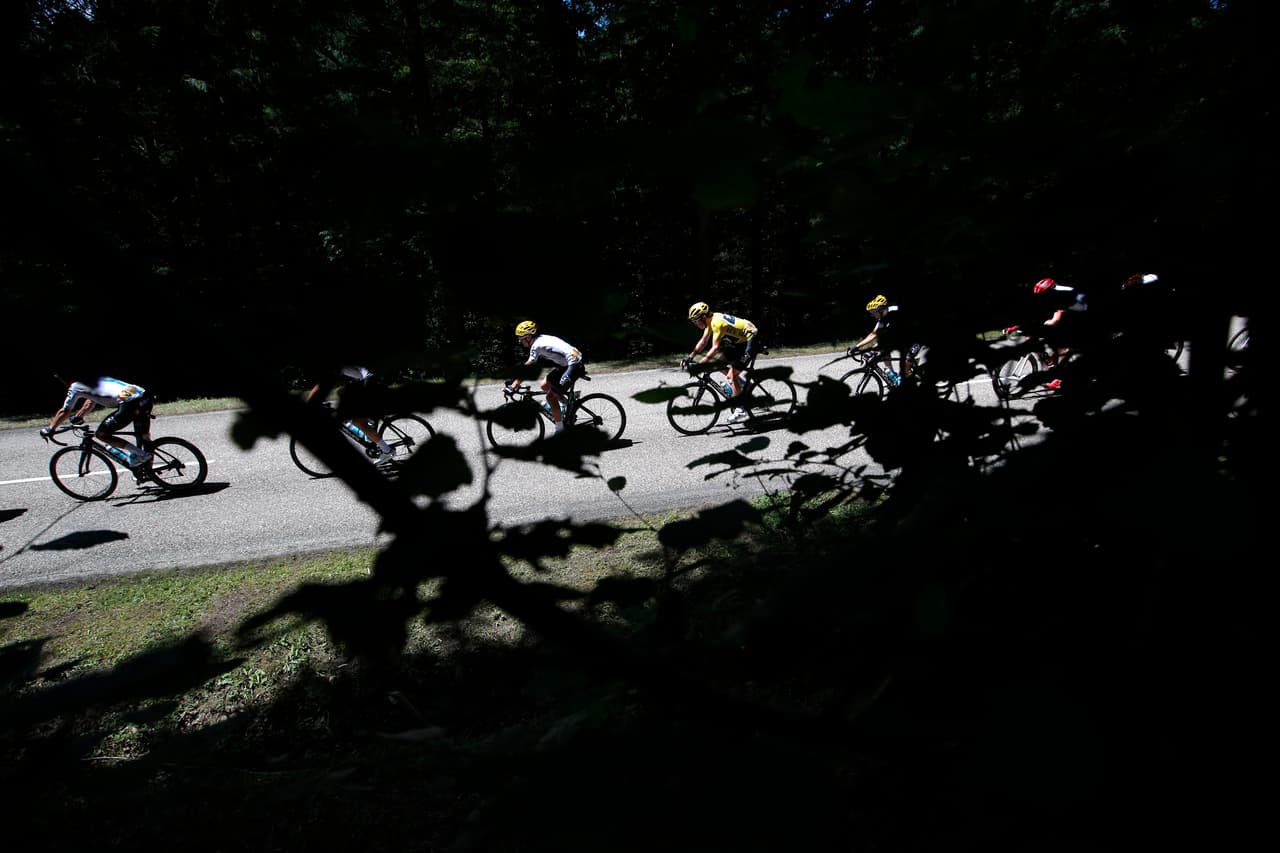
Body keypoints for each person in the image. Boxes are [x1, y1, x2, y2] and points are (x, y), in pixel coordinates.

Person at [40, 376, 155, 468]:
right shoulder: (92, 379)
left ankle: (142, 455)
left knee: (101, 434)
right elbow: (90, 401)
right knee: (143, 436)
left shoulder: (75, 386)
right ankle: (148, 470)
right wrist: (79, 416)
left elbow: (65, 411)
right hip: (144, 396)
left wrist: (51, 429)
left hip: (129, 404)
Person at [1004, 278, 1087, 390]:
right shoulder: (1046, 297)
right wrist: (1015, 327)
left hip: (1084, 314)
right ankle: (1051, 364)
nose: (1040, 299)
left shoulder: (1060, 295)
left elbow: (1055, 321)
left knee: (1062, 346)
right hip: (1071, 311)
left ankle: (1058, 378)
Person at [685, 302, 759, 423]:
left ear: (703, 317)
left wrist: (701, 363)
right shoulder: (710, 321)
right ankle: (744, 387)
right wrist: (690, 357)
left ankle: (741, 409)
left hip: (751, 340)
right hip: (740, 342)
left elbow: (715, 348)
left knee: (731, 376)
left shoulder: (716, 323)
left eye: (695, 321)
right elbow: (703, 341)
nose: (695, 324)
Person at [305, 365, 396, 464]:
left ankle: (387, 451)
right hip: (371, 378)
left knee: (358, 421)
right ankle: (368, 433)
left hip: (371, 380)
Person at [508, 320, 586, 434]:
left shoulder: (537, 345)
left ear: (529, 337)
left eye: (521, 339)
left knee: (550, 397)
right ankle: (568, 403)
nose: (520, 342)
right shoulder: (541, 338)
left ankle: (560, 430)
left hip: (574, 366)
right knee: (544, 385)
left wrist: (514, 385)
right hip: (568, 364)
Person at [847, 294, 921, 384]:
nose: (872, 315)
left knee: (905, 364)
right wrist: (856, 347)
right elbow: (873, 334)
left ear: (881, 310)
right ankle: (892, 375)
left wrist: (871, 351)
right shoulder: (883, 318)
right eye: (871, 313)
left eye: (873, 312)